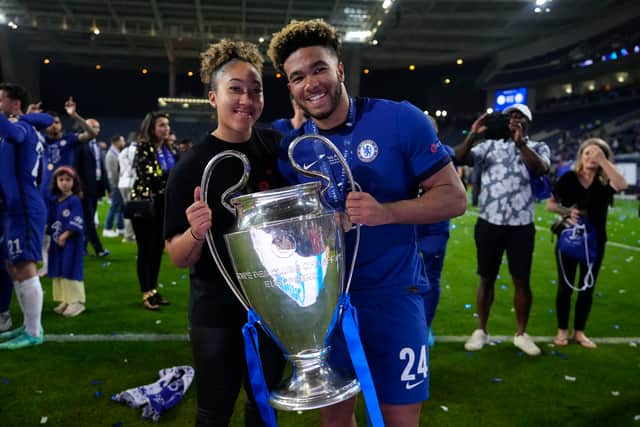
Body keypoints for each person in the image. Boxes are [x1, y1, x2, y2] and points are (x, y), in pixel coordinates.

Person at [267, 19, 467, 427]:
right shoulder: (294, 150)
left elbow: (455, 197)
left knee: (400, 421)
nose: (311, 83)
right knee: (337, 421)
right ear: (290, 87)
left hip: (395, 298)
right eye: (298, 77)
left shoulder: (399, 120)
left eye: (319, 68)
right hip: (327, 306)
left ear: (340, 69)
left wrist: (387, 212)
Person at [165, 39, 287, 427]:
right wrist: (196, 232)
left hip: (274, 305)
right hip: (216, 312)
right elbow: (177, 255)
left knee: (264, 407)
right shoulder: (192, 165)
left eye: (256, 90)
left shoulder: (275, 146)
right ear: (213, 97)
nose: (246, 100)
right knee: (214, 412)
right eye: (236, 89)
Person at [454, 104, 551, 356]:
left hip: (521, 225)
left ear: (528, 122)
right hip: (489, 222)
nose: (514, 120)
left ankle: (521, 333)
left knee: (521, 280)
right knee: (486, 278)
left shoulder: (539, 147)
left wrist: (521, 144)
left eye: (520, 117)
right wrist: (473, 134)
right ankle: (481, 330)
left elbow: (540, 168)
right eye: (510, 116)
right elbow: (459, 158)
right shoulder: (489, 146)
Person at [545, 138, 627, 348]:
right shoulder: (570, 178)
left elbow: (621, 184)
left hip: (595, 241)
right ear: (581, 156)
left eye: (598, 154)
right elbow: (550, 205)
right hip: (570, 238)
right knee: (565, 287)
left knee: (587, 287)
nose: (592, 157)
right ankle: (562, 331)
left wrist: (604, 162)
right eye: (588, 153)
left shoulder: (604, 182)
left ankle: (579, 332)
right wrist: (567, 211)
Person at [0, 82, 53, 349]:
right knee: (13, 265)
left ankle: (34, 331)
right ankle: (27, 326)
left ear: (14, 104)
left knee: (25, 265)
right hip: (14, 207)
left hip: (25, 207)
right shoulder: (25, 124)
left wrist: (18, 117)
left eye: (0, 101)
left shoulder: (21, 127)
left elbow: (13, 131)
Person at [130, 112, 176, 310]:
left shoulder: (167, 148)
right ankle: (146, 292)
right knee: (145, 250)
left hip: (162, 204)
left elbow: (174, 173)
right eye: (161, 125)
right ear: (152, 129)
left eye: (167, 125)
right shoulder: (143, 148)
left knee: (157, 248)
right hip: (145, 204)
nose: (166, 129)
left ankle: (154, 290)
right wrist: (170, 179)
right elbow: (149, 176)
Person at [416, 115, 455, 347]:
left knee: (431, 277)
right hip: (409, 224)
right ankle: (409, 324)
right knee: (404, 278)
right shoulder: (404, 153)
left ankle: (425, 326)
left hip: (434, 227)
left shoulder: (444, 154)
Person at [46, 166, 86, 317]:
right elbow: (50, 221)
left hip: (71, 243)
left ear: (74, 182)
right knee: (59, 269)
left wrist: (66, 235)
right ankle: (66, 299)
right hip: (57, 243)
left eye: (68, 180)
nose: (64, 183)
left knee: (70, 269)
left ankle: (76, 302)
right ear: (55, 181)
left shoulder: (74, 200)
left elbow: (77, 219)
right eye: (61, 180)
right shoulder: (55, 201)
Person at [75, 118, 110, 257]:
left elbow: (101, 168)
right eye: (93, 127)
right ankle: (99, 249)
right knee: (89, 220)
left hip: (96, 187)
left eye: (98, 127)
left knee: (88, 219)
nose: (96, 130)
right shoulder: (80, 145)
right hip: (84, 188)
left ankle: (82, 248)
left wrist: (106, 186)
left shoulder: (96, 146)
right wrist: (79, 188)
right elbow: (76, 168)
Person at [103, 134, 126, 238]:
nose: (124, 143)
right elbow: (113, 173)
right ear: (116, 142)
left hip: (118, 184)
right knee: (114, 207)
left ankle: (120, 228)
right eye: (122, 141)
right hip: (116, 184)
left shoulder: (116, 153)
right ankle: (107, 228)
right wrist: (116, 185)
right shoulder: (111, 155)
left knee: (120, 207)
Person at [118, 138, 137, 242]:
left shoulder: (124, 151)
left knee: (128, 209)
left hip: (122, 182)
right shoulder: (137, 150)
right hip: (132, 182)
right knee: (135, 210)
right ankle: (130, 235)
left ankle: (128, 234)